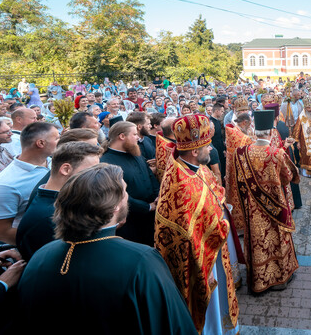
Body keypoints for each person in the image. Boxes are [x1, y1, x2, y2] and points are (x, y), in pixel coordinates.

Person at [18, 164, 197, 334]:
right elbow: (174, 326)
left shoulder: (41, 255)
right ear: (115, 206)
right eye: (125, 191)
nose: (128, 196)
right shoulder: (141, 261)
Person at [155, 115, 240, 334]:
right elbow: (184, 234)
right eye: (207, 146)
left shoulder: (197, 167)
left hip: (214, 249)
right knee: (210, 305)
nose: (211, 149)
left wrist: (220, 201)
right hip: (201, 259)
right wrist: (218, 228)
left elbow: (212, 189)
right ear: (194, 151)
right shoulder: (179, 182)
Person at [228, 110, 299, 293]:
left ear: (254, 130)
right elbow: (288, 178)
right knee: (276, 240)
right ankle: (280, 278)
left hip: (252, 209)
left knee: (257, 242)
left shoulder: (240, 153)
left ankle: (259, 282)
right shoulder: (277, 154)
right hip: (275, 207)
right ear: (270, 132)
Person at [16, 142, 102, 260]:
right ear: (65, 169)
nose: (97, 176)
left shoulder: (62, 202)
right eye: (91, 170)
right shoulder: (49, 217)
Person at [0, 122, 57, 245]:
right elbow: (0, 233)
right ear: (41, 143)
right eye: (57, 138)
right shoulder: (5, 185)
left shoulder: (54, 163)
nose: (60, 142)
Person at [100, 121, 159, 246]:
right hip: (130, 220)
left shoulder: (134, 152)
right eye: (134, 134)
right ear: (122, 136)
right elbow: (119, 193)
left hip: (150, 216)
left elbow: (149, 175)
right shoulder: (106, 161)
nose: (138, 137)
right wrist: (147, 207)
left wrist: (158, 196)